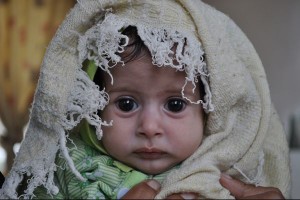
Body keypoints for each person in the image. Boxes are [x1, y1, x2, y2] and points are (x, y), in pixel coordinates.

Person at [0, 0, 291, 199]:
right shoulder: (68, 168)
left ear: (213, 111)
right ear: (93, 105)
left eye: (175, 104)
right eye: (126, 104)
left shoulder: (228, 178)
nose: (149, 127)